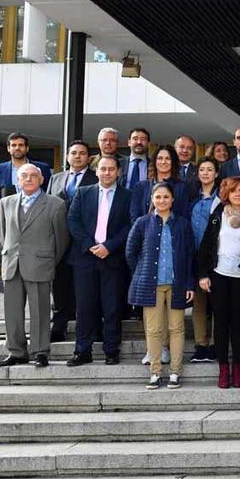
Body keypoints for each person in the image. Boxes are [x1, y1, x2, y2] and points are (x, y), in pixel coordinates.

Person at [0, 164, 69, 368]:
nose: (28, 179)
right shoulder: (6, 203)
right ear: (18, 180)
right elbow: (3, 234)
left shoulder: (55, 204)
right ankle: (17, 352)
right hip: (12, 264)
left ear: (41, 179)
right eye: (24, 176)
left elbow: (61, 239)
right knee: (12, 312)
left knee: (40, 310)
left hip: (40, 264)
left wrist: (48, 261)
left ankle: (40, 351)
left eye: (33, 176)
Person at [126, 182, 194, 389]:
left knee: (177, 328)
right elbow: (131, 251)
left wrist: (190, 282)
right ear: (152, 200)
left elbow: (190, 254)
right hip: (151, 284)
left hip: (176, 284)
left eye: (166, 197)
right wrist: (142, 272)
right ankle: (155, 372)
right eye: (158, 197)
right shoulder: (142, 222)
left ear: (172, 199)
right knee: (153, 329)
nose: (162, 201)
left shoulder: (182, 223)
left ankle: (175, 372)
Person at [66, 155, 132, 366]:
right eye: (103, 169)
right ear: (96, 171)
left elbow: (130, 225)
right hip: (85, 258)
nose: (107, 173)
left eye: (111, 169)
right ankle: (82, 351)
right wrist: (89, 245)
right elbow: (73, 220)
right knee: (85, 307)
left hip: (113, 259)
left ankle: (111, 350)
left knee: (112, 307)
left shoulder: (127, 196)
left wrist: (109, 246)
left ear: (119, 172)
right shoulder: (83, 193)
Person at [197, 176, 240, 389]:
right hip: (219, 275)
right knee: (221, 323)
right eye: (233, 191)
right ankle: (223, 368)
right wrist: (203, 274)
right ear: (227, 194)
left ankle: (237, 367)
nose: (238, 194)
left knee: (238, 324)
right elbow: (206, 247)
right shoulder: (217, 216)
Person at [48, 140, 98, 342]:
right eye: (74, 153)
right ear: (67, 156)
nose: (78, 156)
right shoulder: (56, 179)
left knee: (84, 289)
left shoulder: (96, 178)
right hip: (58, 241)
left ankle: (87, 329)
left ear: (88, 157)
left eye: (82, 153)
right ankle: (58, 326)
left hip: (84, 242)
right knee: (59, 286)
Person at [188, 157, 221, 363]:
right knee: (199, 304)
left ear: (216, 173)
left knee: (217, 303)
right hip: (196, 256)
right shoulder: (192, 199)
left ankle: (216, 344)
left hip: (217, 258)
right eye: (202, 169)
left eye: (210, 169)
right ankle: (201, 345)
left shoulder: (222, 199)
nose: (206, 173)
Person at [129, 145, 191, 222]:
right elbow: (134, 216)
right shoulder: (141, 187)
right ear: (154, 161)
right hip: (144, 232)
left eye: (167, 158)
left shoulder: (182, 187)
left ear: (173, 161)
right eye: (160, 158)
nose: (163, 162)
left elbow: (184, 217)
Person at [0, 133, 53, 208]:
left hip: (37, 212)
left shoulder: (43, 168)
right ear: (8, 148)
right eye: (13, 145)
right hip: (9, 214)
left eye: (21, 145)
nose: (17, 148)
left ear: (27, 148)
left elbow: (49, 192)